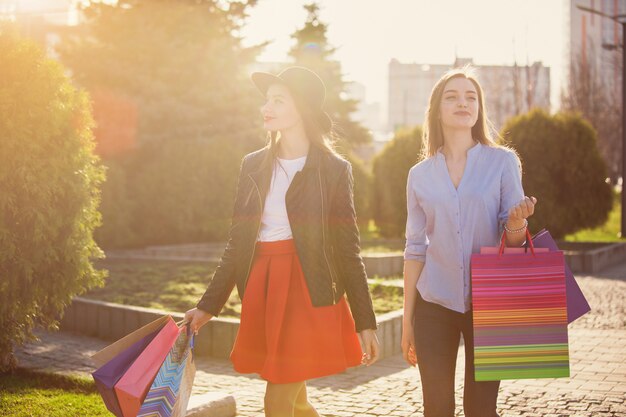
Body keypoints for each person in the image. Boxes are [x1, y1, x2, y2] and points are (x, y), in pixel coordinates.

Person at [185, 66, 380, 416]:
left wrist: (365, 321)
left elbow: (349, 250)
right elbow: (238, 242)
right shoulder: (253, 165)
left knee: (278, 397)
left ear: (301, 108)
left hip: (308, 289)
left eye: (278, 100)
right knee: (297, 400)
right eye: (266, 100)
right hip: (265, 283)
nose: (266, 107)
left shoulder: (334, 170)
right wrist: (207, 306)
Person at [401, 66, 537, 417]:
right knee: (437, 408)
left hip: (489, 304)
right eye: (452, 96)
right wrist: (407, 322)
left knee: (481, 410)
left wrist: (518, 223)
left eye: (470, 97)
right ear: (438, 109)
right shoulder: (419, 175)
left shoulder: (503, 162)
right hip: (433, 303)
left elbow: (516, 246)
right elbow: (415, 248)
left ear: (479, 109)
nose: (463, 102)